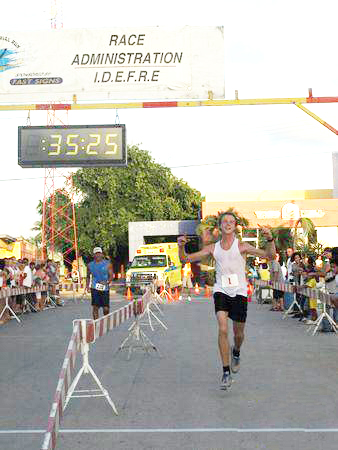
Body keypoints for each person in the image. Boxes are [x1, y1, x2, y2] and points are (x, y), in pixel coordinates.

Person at [178, 212, 276, 390]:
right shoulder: (212, 248)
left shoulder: (242, 246)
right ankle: (225, 372)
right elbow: (185, 259)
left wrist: (270, 239)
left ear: (235, 226)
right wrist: (181, 247)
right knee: (223, 328)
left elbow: (270, 256)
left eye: (231, 221)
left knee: (238, 335)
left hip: (239, 292)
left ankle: (236, 352)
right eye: (225, 221)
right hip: (221, 290)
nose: (228, 224)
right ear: (220, 226)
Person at [86, 247, 113, 320]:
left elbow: (111, 276)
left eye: (99, 253)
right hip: (94, 288)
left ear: (102, 254)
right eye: (96, 253)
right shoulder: (89, 265)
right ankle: (96, 324)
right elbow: (88, 276)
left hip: (105, 288)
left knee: (106, 309)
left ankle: (106, 321)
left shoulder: (108, 264)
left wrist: (106, 282)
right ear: (93, 255)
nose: (98, 255)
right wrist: (87, 286)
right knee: (95, 307)